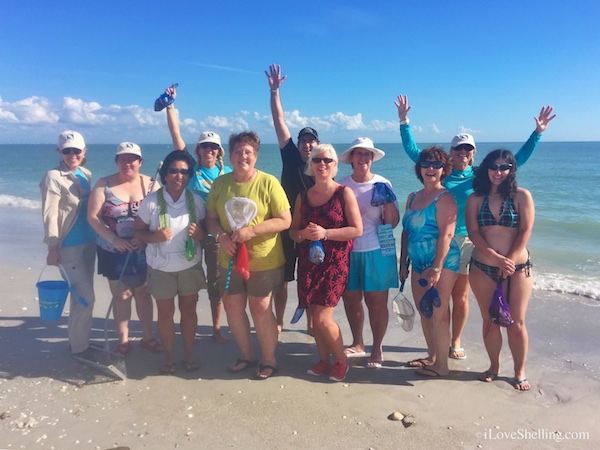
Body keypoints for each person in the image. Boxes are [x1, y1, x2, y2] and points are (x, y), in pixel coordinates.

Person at [395, 95, 554, 361]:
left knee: (461, 296)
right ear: (451, 153)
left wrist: (537, 133)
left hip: (469, 241)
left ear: (473, 152)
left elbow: (516, 162)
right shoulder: (441, 173)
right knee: (439, 299)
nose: (463, 153)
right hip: (440, 242)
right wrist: (404, 122)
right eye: (458, 149)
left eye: (467, 149)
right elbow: (415, 154)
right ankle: (437, 346)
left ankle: (455, 341)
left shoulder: (481, 174)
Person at [206, 131, 291, 379]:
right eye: (238, 151)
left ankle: (269, 360)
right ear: (230, 155)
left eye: (248, 152)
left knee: (260, 307)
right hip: (229, 257)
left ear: (255, 156)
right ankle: (246, 355)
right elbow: (210, 220)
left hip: (264, 259)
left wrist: (252, 231)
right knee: (232, 305)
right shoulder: (220, 184)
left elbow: (285, 220)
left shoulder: (268, 182)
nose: (243, 156)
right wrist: (221, 237)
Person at [163, 84, 232, 344]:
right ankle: (184, 321)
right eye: (205, 147)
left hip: (215, 232)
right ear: (198, 150)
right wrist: (170, 106)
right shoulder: (190, 169)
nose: (209, 151)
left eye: (213, 147)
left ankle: (216, 328)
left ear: (219, 151)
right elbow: (176, 134)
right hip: (189, 231)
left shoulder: (227, 174)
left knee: (216, 282)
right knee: (187, 277)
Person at [290, 144, 363, 382]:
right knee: (313, 317)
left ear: (335, 165)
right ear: (310, 165)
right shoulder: (303, 196)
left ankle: (341, 360)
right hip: (309, 263)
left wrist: (325, 233)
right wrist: (303, 235)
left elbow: (357, 229)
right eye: (317, 160)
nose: (322, 164)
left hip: (335, 263)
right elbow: (293, 231)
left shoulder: (344, 193)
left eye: (328, 160)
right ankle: (323, 359)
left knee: (323, 318)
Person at [466, 149, 534, 391]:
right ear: (486, 168)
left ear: (511, 170)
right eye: (494, 166)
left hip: (517, 268)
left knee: (516, 322)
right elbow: (473, 232)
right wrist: (495, 258)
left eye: (504, 167)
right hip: (483, 266)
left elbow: (525, 230)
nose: (498, 171)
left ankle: (519, 371)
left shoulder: (522, 196)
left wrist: (510, 260)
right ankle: (494, 366)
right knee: (490, 321)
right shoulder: (475, 198)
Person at [134, 151, 207, 374]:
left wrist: (200, 234)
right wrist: (153, 237)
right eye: (173, 171)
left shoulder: (195, 200)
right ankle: (169, 356)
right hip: (161, 268)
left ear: (189, 175)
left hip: (189, 266)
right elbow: (138, 232)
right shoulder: (151, 202)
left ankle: (188, 354)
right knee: (165, 314)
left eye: (184, 171)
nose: (178, 176)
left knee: (189, 311)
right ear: (165, 175)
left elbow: (205, 232)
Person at [87, 142, 162, 357]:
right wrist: (114, 239)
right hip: (112, 250)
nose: (127, 163)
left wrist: (145, 239)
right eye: (122, 159)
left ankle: (148, 337)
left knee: (144, 293)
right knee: (121, 295)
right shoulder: (104, 185)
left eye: (132, 159)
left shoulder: (151, 184)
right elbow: (93, 217)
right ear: (116, 161)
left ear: (140, 162)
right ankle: (123, 340)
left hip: (142, 249)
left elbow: (158, 217)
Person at [338, 137, 400, 367]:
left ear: (372, 159)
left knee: (376, 301)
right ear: (351, 158)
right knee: (352, 300)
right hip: (350, 250)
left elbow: (391, 224)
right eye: (359, 154)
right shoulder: (342, 185)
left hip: (379, 247)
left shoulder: (383, 183)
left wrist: (387, 203)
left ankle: (377, 347)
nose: (363, 158)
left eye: (367, 154)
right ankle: (358, 343)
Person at [399, 146, 460, 377]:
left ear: (444, 170)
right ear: (420, 168)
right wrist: (403, 261)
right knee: (424, 311)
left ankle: (442, 366)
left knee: (439, 313)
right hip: (417, 262)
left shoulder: (445, 198)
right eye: (426, 164)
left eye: (436, 165)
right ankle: (433, 357)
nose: (431, 168)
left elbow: (447, 235)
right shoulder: (413, 197)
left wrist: (436, 267)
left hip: (442, 263)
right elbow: (406, 232)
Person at [266, 64, 317, 334]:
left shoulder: (322, 166)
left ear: (317, 145)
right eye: (304, 141)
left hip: (309, 229)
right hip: (286, 225)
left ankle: (310, 323)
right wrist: (274, 91)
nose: (307, 145)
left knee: (308, 277)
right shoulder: (290, 156)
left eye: (312, 141)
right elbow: (279, 122)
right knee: (283, 277)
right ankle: (278, 320)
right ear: (298, 144)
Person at [40, 131, 96, 356]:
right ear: (59, 152)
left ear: (84, 152)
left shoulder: (86, 173)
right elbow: (49, 214)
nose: (72, 154)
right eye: (67, 151)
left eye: (76, 150)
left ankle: (78, 341)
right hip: (68, 246)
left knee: (80, 295)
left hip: (89, 241)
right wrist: (52, 247)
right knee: (86, 297)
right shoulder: (53, 176)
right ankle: (80, 348)